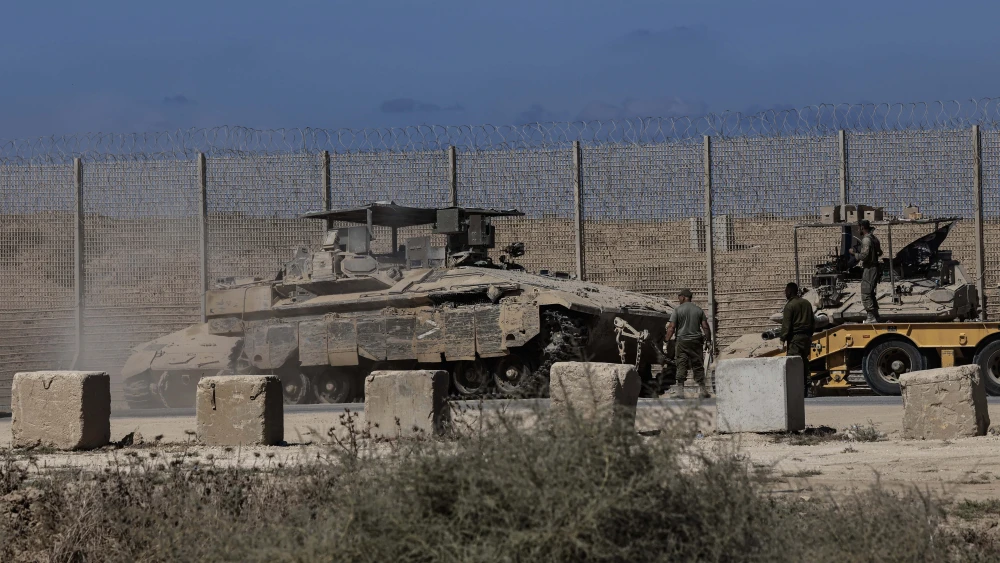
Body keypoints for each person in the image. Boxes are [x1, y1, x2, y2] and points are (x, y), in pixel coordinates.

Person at [665, 288, 712, 399]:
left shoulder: (677, 310)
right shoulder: (698, 310)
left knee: (681, 363)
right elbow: (705, 327)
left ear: (683, 297)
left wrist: (666, 340)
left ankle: (680, 392)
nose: (679, 300)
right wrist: (708, 341)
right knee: (697, 364)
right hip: (696, 341)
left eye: (679, 298)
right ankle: (703, 390)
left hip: (682, 342)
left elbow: (671, 327)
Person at [780, 282, 815, 396]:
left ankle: (795, 390)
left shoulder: (790, 306)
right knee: (804, 362)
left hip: (795, 339)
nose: (785, 293)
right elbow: (813, 322)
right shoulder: (806, 303)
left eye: (786, 291)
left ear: (789, 292)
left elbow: (786, 325)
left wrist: (782, 340)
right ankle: (808, 388)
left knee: (793, 363)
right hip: (806, 337)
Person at [849, 219, 883, 323]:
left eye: (858, 227)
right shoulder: (874, 238)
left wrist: (854, 254)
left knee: (866, 293)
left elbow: (864, 256)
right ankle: (875, 316)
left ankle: (871, 317)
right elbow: (880, 252)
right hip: (875, 267)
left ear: (862, 227)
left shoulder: (866, 240)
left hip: (869, 269)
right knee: (871, 293)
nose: (858, 229)